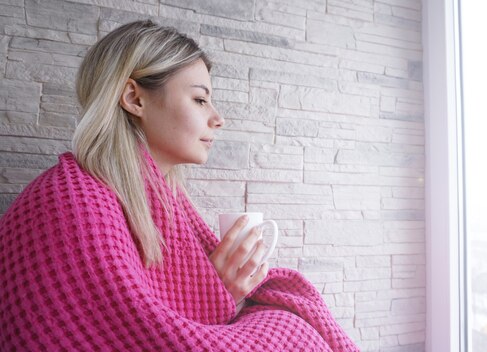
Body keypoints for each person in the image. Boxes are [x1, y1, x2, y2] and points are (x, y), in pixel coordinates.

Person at [0, 20, 359, 351]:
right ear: (134, 99)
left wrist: (220, 288)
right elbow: (140, 336)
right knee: (288, 330)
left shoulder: (157, 196)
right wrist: (218, 292)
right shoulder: (73, 203)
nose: (218, 118)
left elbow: (160, 311)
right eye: (200, 99)